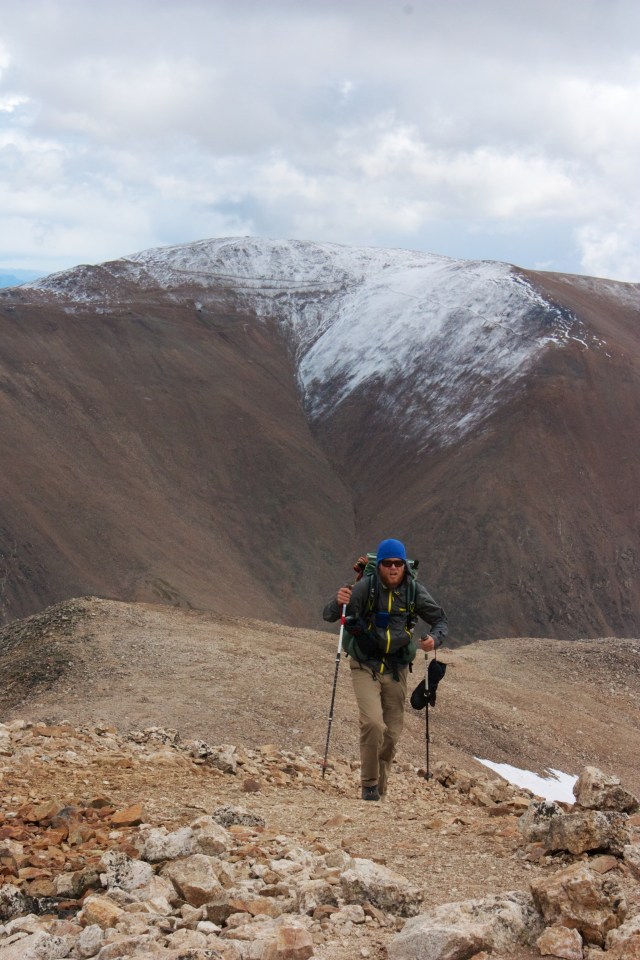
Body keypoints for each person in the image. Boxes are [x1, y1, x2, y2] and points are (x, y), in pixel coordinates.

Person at [323, 538, 448, 801]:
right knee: (372, 724)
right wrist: (338, 602)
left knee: (391, 735)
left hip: (396, 668)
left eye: (397, 563)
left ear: (405, 565)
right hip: (364, 664)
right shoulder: (366, 588)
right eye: (387, 563)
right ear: (379, 565)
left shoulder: (413, 591)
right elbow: (331, 615)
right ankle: (369, 785)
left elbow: (440, 619)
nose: (393, 568)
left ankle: (380, 788)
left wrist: (434, 638)